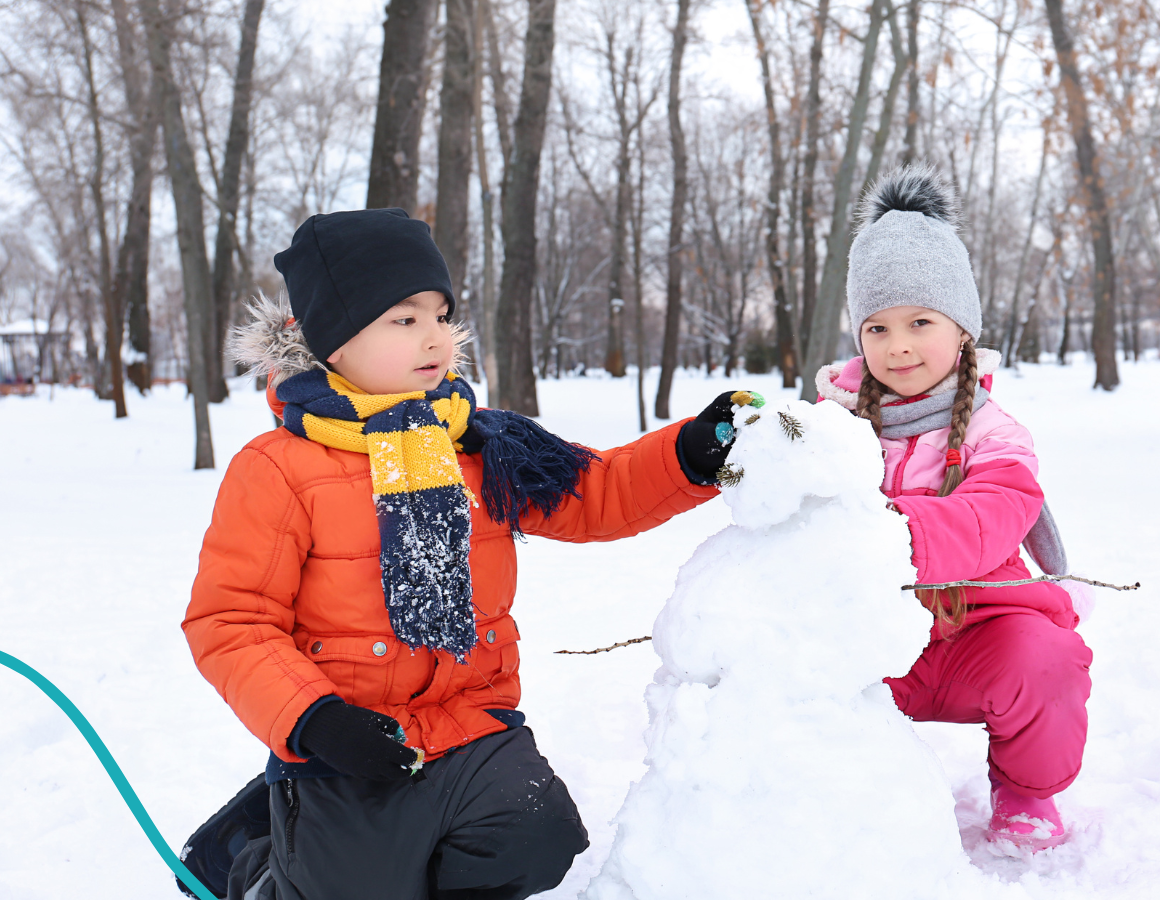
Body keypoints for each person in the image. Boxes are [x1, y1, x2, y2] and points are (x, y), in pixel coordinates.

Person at [179, 207, 743, 899]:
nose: (436, 337)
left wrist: (688, 454)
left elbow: (596, 493)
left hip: (472, 723)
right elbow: (231, 622)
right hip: (350, 739)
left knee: (539, 838)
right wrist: (315, 720)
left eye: (441, 315)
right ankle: (259, 861)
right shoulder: (278, 468)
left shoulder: (479, 444)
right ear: (334, 342)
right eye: (404, 318)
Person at [813, 166, 1094, 855]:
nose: (899, 345)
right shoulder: (830, 430)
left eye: (920, 322)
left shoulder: (998, 434)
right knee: (791, 664)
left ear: (961, 329)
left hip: (981, 635)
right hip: (877, 644)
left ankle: (1026, 793)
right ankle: (837, 790)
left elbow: (995, 512)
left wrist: (892, 534)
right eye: (877, 327)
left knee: (1047, 657)